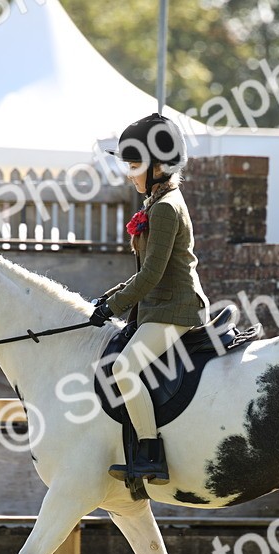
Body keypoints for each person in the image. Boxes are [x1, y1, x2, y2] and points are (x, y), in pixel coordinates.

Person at [89, 113, 209, 485]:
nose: (128, 173)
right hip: (159, 306)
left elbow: (152, 275)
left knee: (123, 370)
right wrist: (109, 297)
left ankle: (150, 453)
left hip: (175, 308)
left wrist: (115, 306)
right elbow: (145, 272)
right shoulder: (156, 202)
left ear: (160, 166)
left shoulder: (167, 207)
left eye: (135, 164)